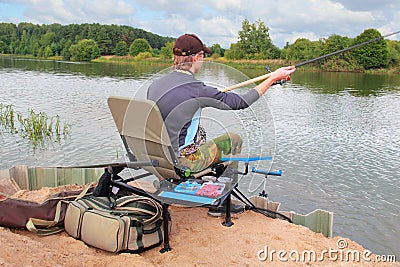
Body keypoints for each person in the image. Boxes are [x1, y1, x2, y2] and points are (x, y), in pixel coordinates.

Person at [147, 33, 295, 215]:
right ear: (197, 57)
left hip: (155, 158)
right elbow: (241, 102)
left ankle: (194, 185)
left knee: (200, 132)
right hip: (181, 162)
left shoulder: (155, 85)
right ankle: (220, 202)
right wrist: (272, 78)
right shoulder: (197, 88)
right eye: (203, 56)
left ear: (175, 57)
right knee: (233, 140)